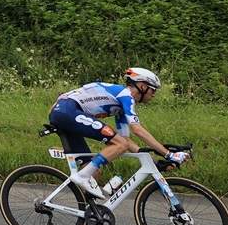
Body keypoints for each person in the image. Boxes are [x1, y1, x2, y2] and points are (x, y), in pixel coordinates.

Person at [48, 67, 184, 200]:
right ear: (142, 86)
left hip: (65, 113)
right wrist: (169, 154)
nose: (153, 94)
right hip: (67, 111)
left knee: (94, 172)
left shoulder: (120, 107)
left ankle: (88, 214)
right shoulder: (126, 95)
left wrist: (155, 161)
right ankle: (82, 176)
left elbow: (127, 141)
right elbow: (137, 130)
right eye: (153, 90)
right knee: (118, 145)